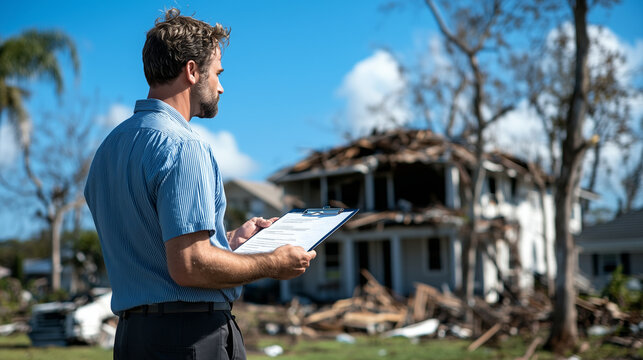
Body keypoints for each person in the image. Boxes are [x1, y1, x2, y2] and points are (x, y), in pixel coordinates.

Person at [84, 8, 316, 359]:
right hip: (190, 338)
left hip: (132, 338)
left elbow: (161, 251)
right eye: (217, 73)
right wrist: (273, 262)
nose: (221, 87)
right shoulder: (184, 146)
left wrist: (230, 241)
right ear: (192, 71)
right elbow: (190, 265)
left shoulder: (109, 149)